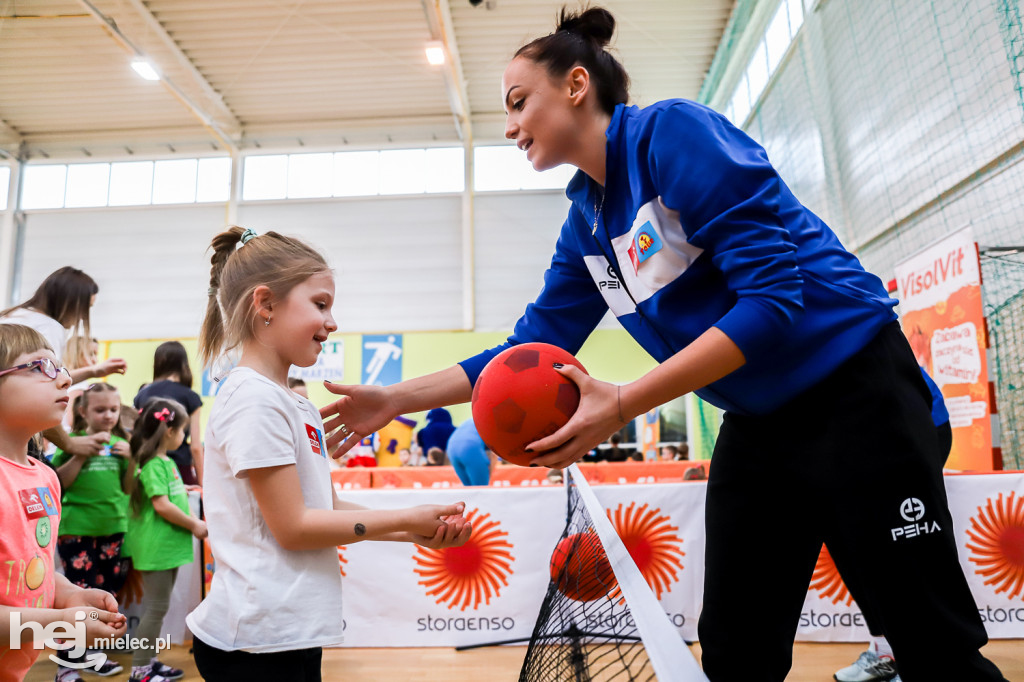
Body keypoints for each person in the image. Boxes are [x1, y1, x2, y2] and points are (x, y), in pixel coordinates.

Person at [317, 8, 1007, 681]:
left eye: (519, 101)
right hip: (759, 423)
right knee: (735, 646)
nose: (508, 125)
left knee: (930, 642)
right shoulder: (585, 224)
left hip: (853, 391)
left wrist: (621, 402)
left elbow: (772, 302)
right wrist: (397, 397)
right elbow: (531, 345)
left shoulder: (673, 134)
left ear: (577, 85)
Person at [185, 226, 471, 682]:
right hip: (255, 640)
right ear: (266, 304)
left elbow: (326, 509)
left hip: (289, 632)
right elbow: (295, 528)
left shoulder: (295, 403)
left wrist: (413, 530)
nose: (332, 322)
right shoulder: (252, 398)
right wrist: (404, 519)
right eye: (320, 304)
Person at [0, 324, 127, 682]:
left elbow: (27, 567)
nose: (65, 381)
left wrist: (68, 594)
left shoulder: (46, 477)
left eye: (62, 369)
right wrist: (60, 623)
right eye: (40, 367)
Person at [834, 369, 953, 682]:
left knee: (902, 547)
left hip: (909, 426)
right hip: (846, 439)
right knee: (853, 548)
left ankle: (924, 657)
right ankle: (885, 652)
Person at [51, 383, 134, 679]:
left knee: (105, 597)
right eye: (100, 410)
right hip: (77, 532)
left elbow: (128, 488)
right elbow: (59, 484)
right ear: (84, 411)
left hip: (113, 529)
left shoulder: (122, 444)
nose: (109, 416)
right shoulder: (70, 442)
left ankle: (93, 656)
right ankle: (67, 665)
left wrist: (131, 458)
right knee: (76, 599)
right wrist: (81, 452)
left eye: (113, 409)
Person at [0, 267, 127, 461]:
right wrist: (69, 443)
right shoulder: (48, 326)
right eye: (85, 308)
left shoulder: (14, 316)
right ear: (70, 301)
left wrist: (94, 370)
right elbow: (46, 387)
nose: (82, 317)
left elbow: (43, 380)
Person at [124, 398, 207, 682]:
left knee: (158, 608)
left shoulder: (164, 462)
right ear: (169, 431)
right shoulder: (152, 465)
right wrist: (195, 524)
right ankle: (140, 671)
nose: (184, 437)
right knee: (155, 607)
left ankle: (150, 660)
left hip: (167, 546)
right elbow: (161, 505)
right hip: (157, 547)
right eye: (182, 430)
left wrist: (184, 490)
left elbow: (167, 494)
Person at [134, 341, 205, 485]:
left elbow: (137, 435)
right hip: (179, 468)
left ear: (157, 364)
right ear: (184, 365)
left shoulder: (142, 395)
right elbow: (196, 447)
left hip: (149, 465)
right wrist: (204, 484)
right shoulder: (190, 396)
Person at [445, 418, 493, 486]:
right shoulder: (491, 425)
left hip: (451, 446)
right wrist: (487, 478)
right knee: (481, 489)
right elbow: (493, 455)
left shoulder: (473, 420)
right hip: (470, 446)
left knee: (469, 489)